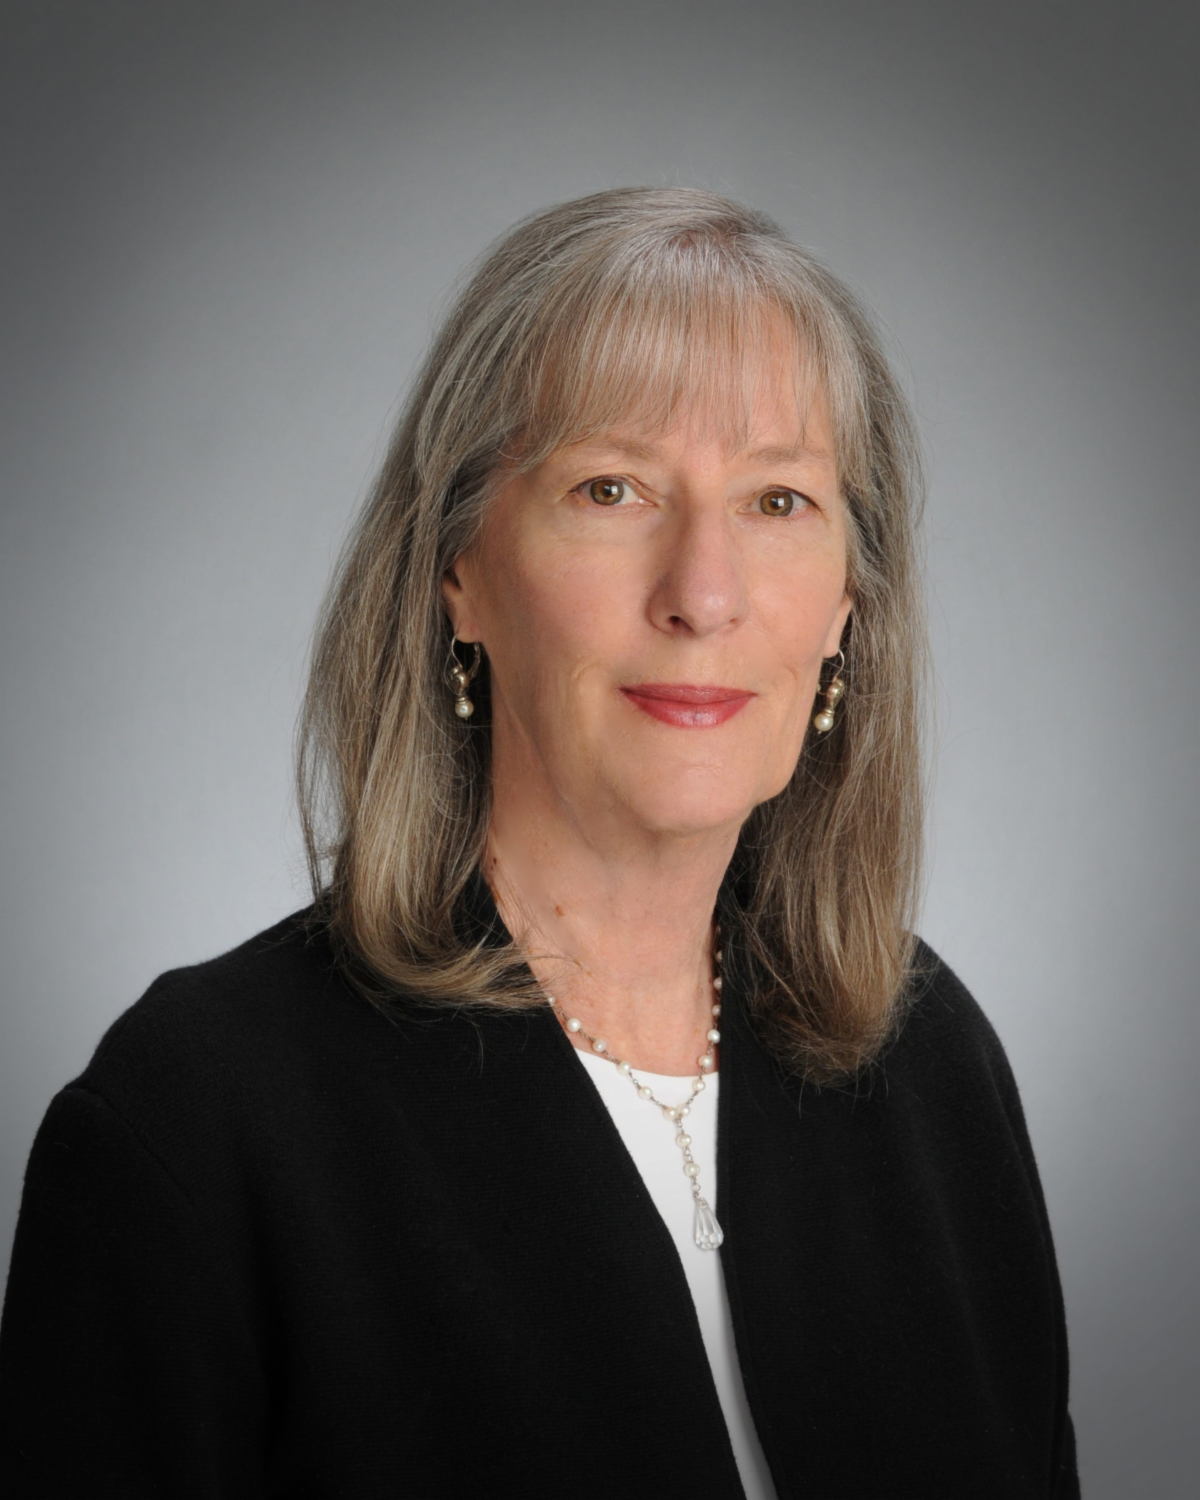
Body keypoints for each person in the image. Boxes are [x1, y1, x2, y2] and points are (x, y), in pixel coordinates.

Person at [0, 188, 1079, 1498]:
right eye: (610, 488)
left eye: (777, 500)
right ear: (458, 568)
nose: (704, 593)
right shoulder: (196, 1121)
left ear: (849, 605)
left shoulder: (932, 1063)